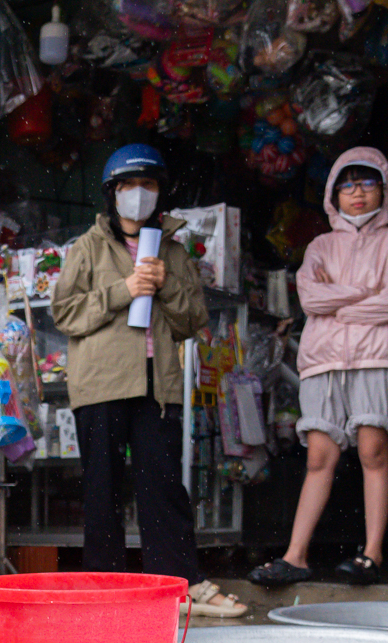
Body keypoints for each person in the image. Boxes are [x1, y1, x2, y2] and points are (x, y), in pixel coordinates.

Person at [51, 143, 246, 618]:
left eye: (148, 184)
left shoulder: (173, 251)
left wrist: (166, 285)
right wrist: (125, 290)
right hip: (101, 385)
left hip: (158, 388)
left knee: (162, 486)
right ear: (111, 194)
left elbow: (190, 320)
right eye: (127, 185)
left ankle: (181, 587)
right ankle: (106, 588)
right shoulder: (88, 247)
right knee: (102, 488)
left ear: (161, 192)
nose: (138, 194)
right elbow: (65, 312)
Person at [251, 148, 388, 587]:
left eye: (367, 183)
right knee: (320, 455)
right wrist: (365, 294)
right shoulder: (319, 246)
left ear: (385, 190)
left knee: (373, 450)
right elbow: (310, 299)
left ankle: (371, 553)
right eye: (348, 184)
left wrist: (340, 300)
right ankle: (295, 555)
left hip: (377, 354)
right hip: (322, 360)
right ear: (333, 193)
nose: (357, 193)